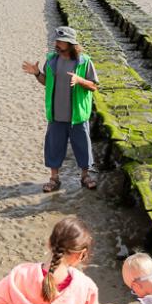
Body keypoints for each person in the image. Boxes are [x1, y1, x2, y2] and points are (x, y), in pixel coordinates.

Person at [22, 26, 99, 193]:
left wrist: (80, 80)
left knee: (82, 146)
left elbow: (94, 86)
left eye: (60, 41)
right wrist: (37, 73)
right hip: (56, 115)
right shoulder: (51, 60)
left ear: (70, 43)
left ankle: (85, 176)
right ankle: (54, 178)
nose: (56, 43)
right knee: (53, 147)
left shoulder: (84, 61)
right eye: (56, 40)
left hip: (77, 115)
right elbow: (46, 83)